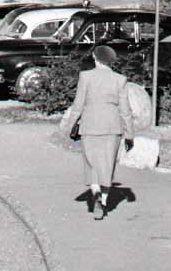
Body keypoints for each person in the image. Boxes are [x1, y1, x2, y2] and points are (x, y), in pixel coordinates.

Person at [60, 42, 148, 216]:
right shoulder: (120, 79)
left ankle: (95, 193)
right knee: (107, 164)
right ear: (112, 61)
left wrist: (69, 127)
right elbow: (125, 110)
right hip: (112, 126)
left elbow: (78, 105)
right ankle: (104, 201)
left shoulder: (85, 77)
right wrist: (129, 135)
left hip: (90, 125)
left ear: (95, 57)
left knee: (91, 163)